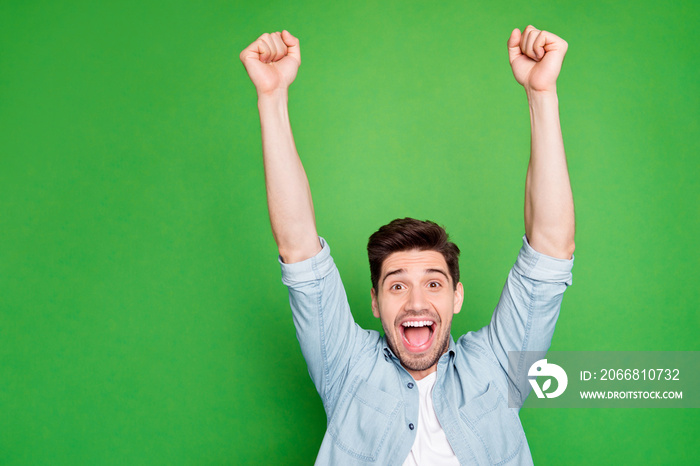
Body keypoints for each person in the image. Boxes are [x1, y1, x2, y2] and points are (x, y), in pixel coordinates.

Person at [240, 26, 575, 466]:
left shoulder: (497, 368)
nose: (417, 302)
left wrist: (541, 92)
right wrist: (272, 97)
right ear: (375, 301)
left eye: (434, 284)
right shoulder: (347, 369)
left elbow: (550, 250)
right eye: (397, 286)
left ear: (457, 296)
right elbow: (299, 246)